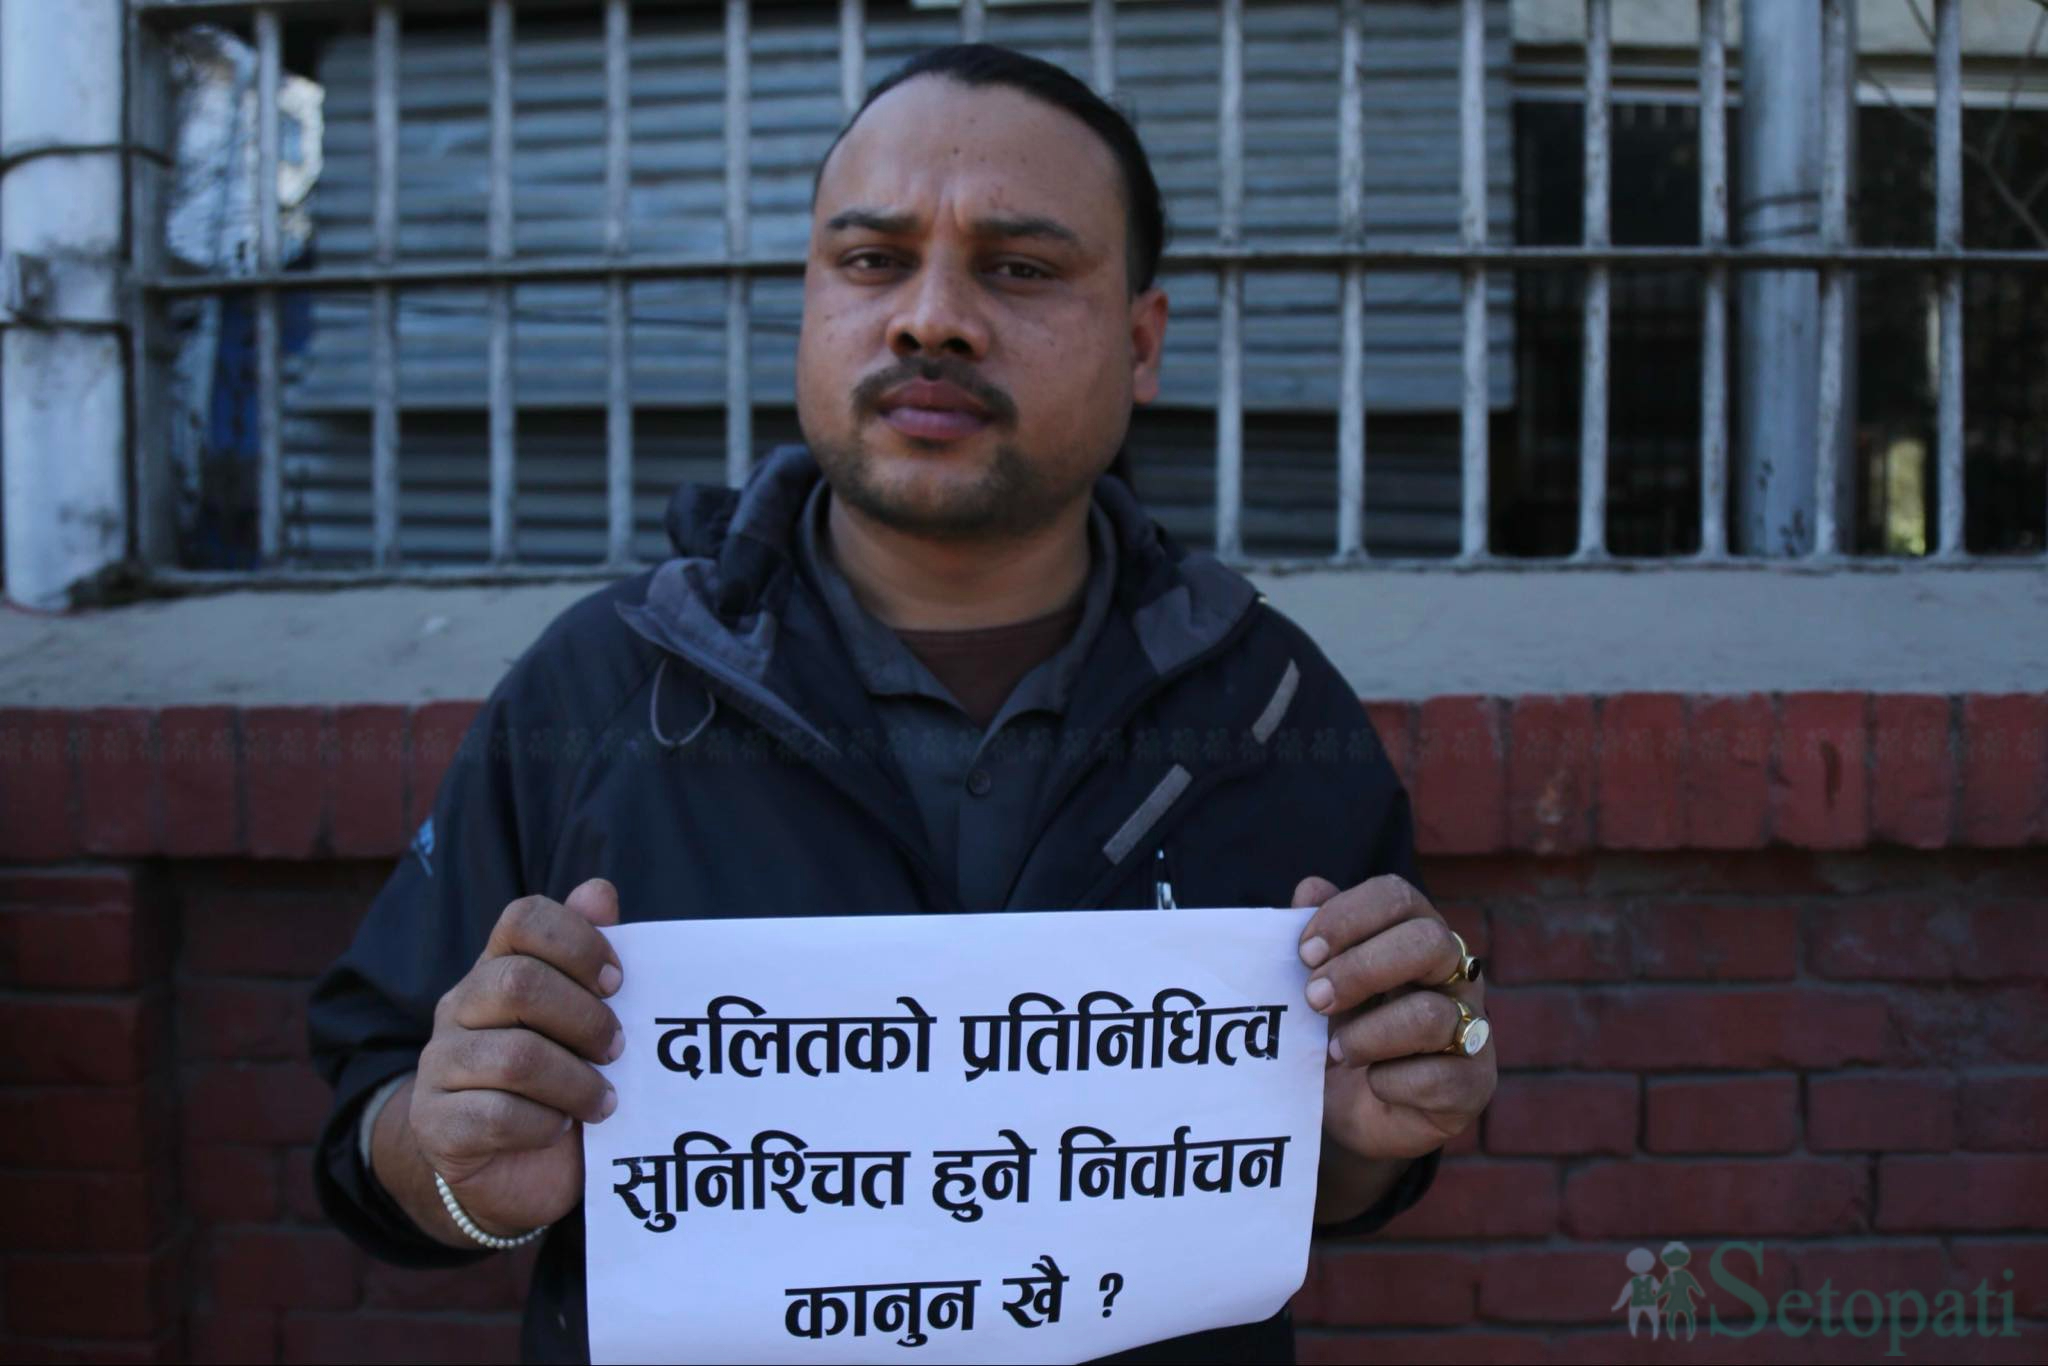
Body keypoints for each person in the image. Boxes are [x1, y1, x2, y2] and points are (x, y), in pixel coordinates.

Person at [309, 43, 1497, 1365]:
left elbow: (1337, 1171)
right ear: (810, 304)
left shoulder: (1273, 709)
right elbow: (376, 1132)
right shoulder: (600, 687)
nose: (933, 317)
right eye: (872, 259)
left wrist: (1373, 1127)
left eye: (1021, 266)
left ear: (1143, 341)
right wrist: (456, 1150)